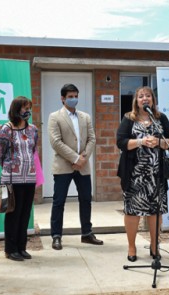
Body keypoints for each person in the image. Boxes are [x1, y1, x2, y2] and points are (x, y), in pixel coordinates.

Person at [116, 86, 169, 261]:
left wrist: (158, 141)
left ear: (153, 100)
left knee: (155, 211)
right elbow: (121, 142)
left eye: (148, 96)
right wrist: (141, 141)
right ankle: (132, 247)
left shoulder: (160, 118)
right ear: (136, 100)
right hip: (135, 175)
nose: (144, 98)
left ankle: (155, 246)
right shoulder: (129, 118)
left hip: (157, 175)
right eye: (141, 96)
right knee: (133, 211)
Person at [48, 83, 103, 250]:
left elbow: (92, 139)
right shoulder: (54, 117)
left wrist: (83, 158)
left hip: (83, 166)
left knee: (86, 200)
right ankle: (56, 235)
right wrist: (74, 158)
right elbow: (55, 142)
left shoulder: (85, 117)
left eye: (76, 96)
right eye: (70, 97)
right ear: (63, 98)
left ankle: (87, 233)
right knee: (59, 201)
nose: (74, 99)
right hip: (64, 165)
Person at [0, 96, 38, 261]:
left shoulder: (33, 129)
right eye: (24, 108)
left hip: (29, 178)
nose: (27, 111)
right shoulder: (6, 129)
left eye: (29, 108)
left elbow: (33, 150)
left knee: (25, 213)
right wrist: (9, 166)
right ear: (16, 110)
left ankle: (21, 247)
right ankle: (10, 249)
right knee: (13, 214)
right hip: (11, 179)